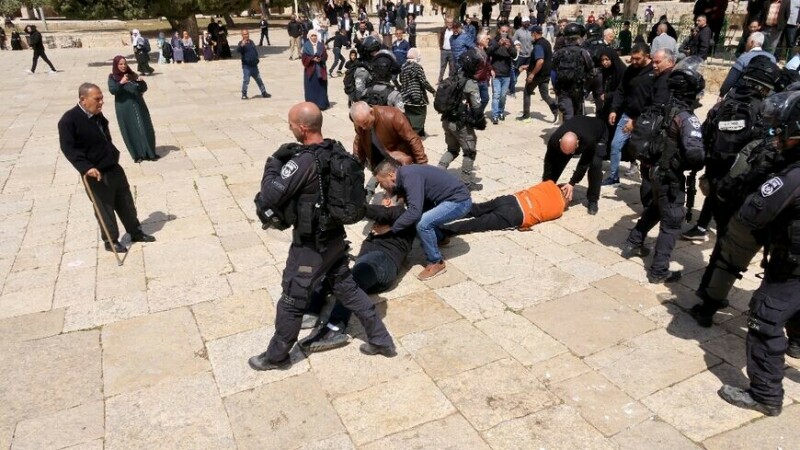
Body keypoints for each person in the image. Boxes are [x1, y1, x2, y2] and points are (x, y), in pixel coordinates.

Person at [248, 102, 397, 370]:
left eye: (292, 124)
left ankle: (276, 356)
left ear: (303, 128)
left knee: (292, 298)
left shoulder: (302, 161)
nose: (290, 128)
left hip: (311, 245)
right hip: (335, 239)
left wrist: (272, 165)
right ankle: (381, 338)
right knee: (348, 289)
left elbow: (271, 194)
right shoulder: (334, 149)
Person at [717, 94, 800, 417]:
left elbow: (754, 213)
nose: (775, 137)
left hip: (791, 263)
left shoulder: (792, 176)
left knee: (764, 317)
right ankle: (797, 342)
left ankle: (765, 394)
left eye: (780, 132)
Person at [621, 58, 706, 283]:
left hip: (653, 171)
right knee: (672, 222)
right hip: (670, 177)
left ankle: (633, 242)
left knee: (655, 208)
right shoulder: (686, 118)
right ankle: (659, 270)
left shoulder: (661, 108)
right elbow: (696, 155)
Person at [58, 83, 156, 254]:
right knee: (105, 208)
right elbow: (69, 149)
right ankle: (111, 241)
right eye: (97, 99)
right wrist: (86, 167)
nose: (102, 102)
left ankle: (135, 231)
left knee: (125, 201)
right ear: (83, 99)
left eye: (102, 98)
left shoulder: (97, 114)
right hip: (95, 172)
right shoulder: (69, 120)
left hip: (112, 166)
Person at [372, 160, 472, 280]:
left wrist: (390, 229)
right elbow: (401, 192)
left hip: (459, 202)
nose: (381, 186)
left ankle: (436, 262)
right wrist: (387, 196)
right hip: (445, 199)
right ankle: (440, 238)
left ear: (390, 175)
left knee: (422, 223)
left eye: (380, 182)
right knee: (417, 217)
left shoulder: (410, 177)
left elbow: (414, 211)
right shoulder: (403, 174)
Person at [603, 43, 654, 185]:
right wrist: (614, 109)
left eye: (638, 59)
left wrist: (638, 121)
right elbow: (621, 91)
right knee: (615, 145)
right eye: (632, 58)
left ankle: (646, 181)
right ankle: (613, 176)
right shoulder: (631, 70)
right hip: (627, 115)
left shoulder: (654, 71)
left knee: (644, 150)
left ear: (647, 56)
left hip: (647, 118)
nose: (634, 62)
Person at [441, 181, 565, 236]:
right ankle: (442, 231)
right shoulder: (559, 209)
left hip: (510, 200)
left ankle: (440, 212)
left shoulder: (548, 184)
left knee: (476, 209)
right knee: (476, 224)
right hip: (517, 215)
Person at [438, 51, 485, 191]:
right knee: (469, 151)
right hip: (460, 124)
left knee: (452, 150)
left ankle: (437, 173)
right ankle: (466, 183)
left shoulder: (453, 77)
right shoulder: (470, 83)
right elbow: (476, 107)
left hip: (446, 120)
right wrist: (480, 121)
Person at [543, 116, 607, 215]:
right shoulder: (554, 140)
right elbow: (549, 162)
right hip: (579, 126)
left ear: (577, 143)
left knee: (595, 165)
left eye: (572, 152)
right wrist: (546, 184)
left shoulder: (588, 140)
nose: (569, 155)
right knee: (560, 160)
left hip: (599, 133)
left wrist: (572, 183)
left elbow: (584, 163)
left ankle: (593, 200)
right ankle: (549, 188)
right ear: (560, 141)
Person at [350, 101, 427, 177]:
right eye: (361, 125)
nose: (364, 127)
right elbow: (359, 142)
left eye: (366, 123)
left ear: (371, 112)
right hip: (381, 160)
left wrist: (422, 164)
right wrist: (356, 168)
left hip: (401, 159)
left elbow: (413, 139)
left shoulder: (393, 116)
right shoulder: (360, 124)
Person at [107, 56, 158, 163]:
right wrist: (121, 82)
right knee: (130, 129)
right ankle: (137, 155)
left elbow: (143, 89)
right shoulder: (113, 77)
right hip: (124, 107)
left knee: (145, 127)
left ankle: (150, 153)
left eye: (125, 63)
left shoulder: (132, 74)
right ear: (116, 65)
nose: (123, 66)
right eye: (120, 64)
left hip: (139, 104)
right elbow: (113, 90)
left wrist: (141, 82)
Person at [551, 22, 594, 121]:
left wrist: (556, 88)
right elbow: (591, 72)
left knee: (567, 115)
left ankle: (567, 133)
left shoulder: (558, 53)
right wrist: (586, 89)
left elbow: (553, 73)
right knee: (577, 116)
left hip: (563, 90)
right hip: (578, 90)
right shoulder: (583, 52)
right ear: (578, 38)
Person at [719, 32, 776, 97]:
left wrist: (722, 94)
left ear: (752, 43)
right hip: (763, 96)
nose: (746, 44)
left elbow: (730, 79)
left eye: (747, 41)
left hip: (742, 94)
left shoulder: (744, 57)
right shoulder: (772, 58)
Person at [521, 26, 558, 123]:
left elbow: (540, 61)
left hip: (537, 75)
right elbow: (544, 60)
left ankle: (526, 115)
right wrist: (528, 66)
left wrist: (532, 74)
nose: (530, 35)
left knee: (527, 92)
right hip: (545, 75)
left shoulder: (538, 45)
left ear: (534, 33)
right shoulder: (546, 43)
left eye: (531, 33)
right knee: (545, 95)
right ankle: (555, 110)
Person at [399, 48, 436, 136]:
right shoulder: (417, 67)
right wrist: (433, 91)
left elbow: (400, 80)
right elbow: (424, 82)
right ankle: (415, 133)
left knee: (409, 116)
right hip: (417, 97)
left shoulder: (403, 66)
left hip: (406, 97)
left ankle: (419, 132)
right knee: (420, 115)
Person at [488, 24, 517, 124]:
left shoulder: (510, 41)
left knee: (503, 95)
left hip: (506, 73)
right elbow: (489, 52)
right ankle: (495, 115)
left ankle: (501, 111)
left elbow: (514, 55)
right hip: (496, 72)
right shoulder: (494, 40)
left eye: (506, 31)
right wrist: (498, 44)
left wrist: (509, 47)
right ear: (499, 31)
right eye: (502, 31)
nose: (504, 33)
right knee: (496, 94)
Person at [238, 29, 271, 100]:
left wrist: (257, 58)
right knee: (246, 80)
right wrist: (242, 45)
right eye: (244, 34)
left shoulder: (251, 42)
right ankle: (244, 94)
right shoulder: (241, 43)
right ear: (242, 35)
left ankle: (264, 92)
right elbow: (238, 50)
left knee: (259, 79)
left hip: (254, 65)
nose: (246, 35)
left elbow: (254, 51)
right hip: (246, 66)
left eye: (247, 34)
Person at [302, 31, 330, 110]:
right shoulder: (306, 46)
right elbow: (304, 59)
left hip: (320, 70)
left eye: (315, 35)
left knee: (321, 88)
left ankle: (321, 104)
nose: (314, 37)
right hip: (310, 71)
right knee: (311, 89)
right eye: (312, 36)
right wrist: (312, 59)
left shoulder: (321, 45)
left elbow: (325, 56)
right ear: (309, 37)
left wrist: (320, 59)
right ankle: (311, 105)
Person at [438, 18, 456, 83]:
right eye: (448, 22)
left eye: (451, 22)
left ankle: (450, 79)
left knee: (452, 66)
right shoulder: (443, 30)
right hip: (444, 51)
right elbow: (440, 38)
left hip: (451, 51)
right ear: (446, 23)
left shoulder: (454, 31)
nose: (449, 24)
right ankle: (440, 80)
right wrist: (441, 47)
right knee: (442, 66)